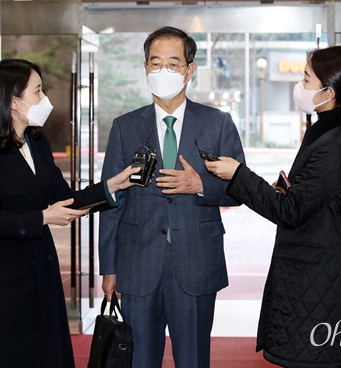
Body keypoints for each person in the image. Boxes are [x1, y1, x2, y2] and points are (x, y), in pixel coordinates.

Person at [205, 45, 341, 368]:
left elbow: (290, 212)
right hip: (313, 275)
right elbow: (310, 199)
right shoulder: (327, 129)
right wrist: (287, 189)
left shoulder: (335, 146)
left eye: (306, 78)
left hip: (319, 282)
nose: (299, 86)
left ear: (328, 93)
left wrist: (238, 175)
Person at [0, 58, 139, 368]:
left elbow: (65, 199)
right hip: (1, 276)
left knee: (45, 353)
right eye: (38, 91)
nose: (45, 100)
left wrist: (111, 185)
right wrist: (42, 217)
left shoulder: (37, 143)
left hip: (40, 269)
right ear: (13, 101)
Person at [98, 26, 245, 368]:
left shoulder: (217, 123)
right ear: (146, 68)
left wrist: (201, 185)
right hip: (137, 266)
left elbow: (241, 190)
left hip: (196, 263)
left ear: (189, 69)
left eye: (173, 64)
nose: (163, 71)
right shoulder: (125, 126)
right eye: (155, 63)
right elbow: (112, 201)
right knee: (139, 361)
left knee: (193, 360)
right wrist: (109, 267)